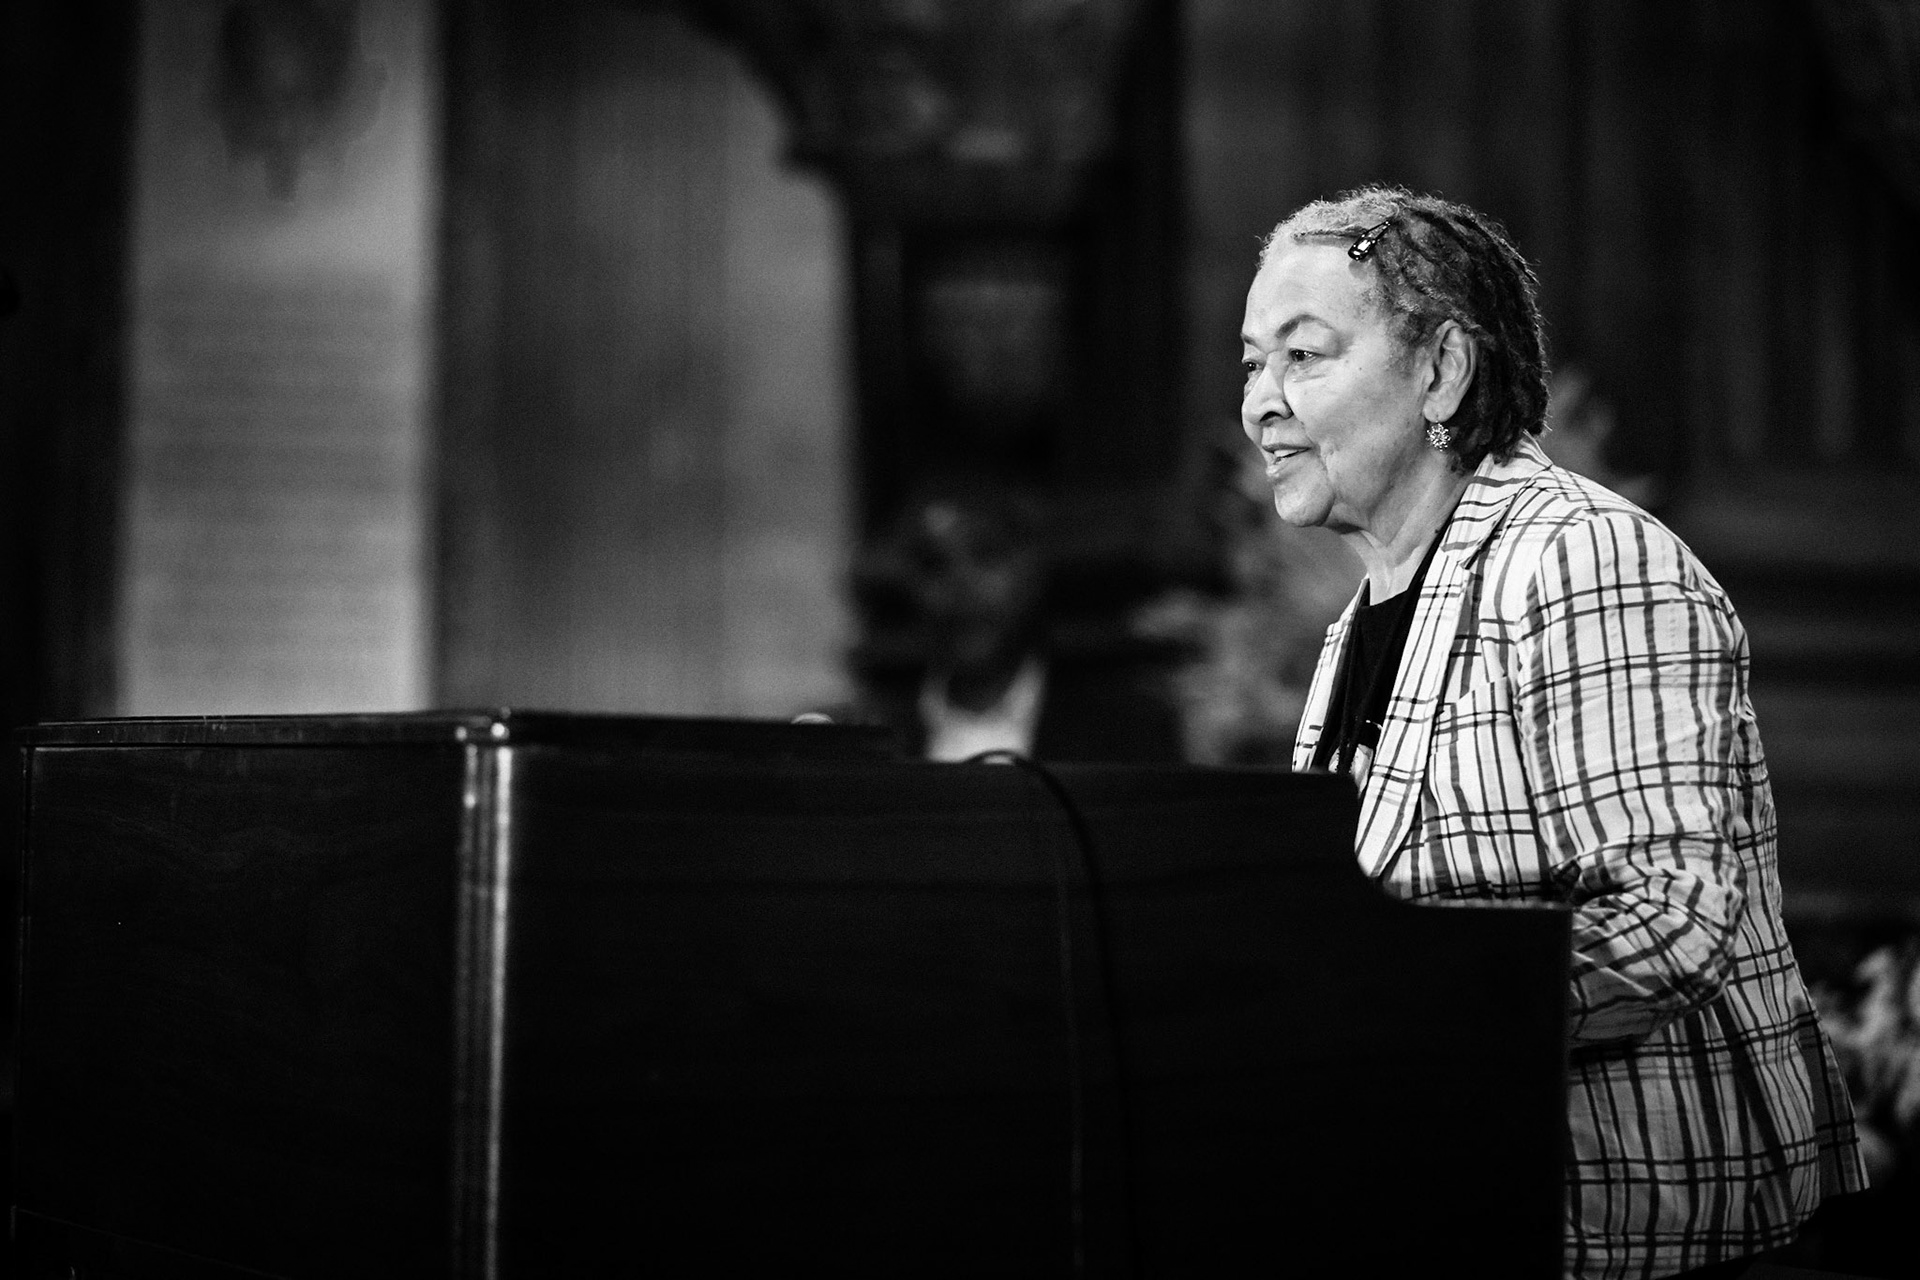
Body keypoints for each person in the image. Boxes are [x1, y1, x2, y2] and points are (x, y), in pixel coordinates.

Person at [1240, 184, 1866, 1279]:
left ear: (1441, 370)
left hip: (1649, 1242)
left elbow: (1672, 918)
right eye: (1252, 363)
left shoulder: (1580, 560)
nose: (1260, 403)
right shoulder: (1357, 623)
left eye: (1304, 355)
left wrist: (1387, 1010)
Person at [852, 482, 1181, 764]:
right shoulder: (875, 740)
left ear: (1033, 570)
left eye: (986, 554)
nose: (962, 583)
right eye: (934, 565)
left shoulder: (1125, 729)